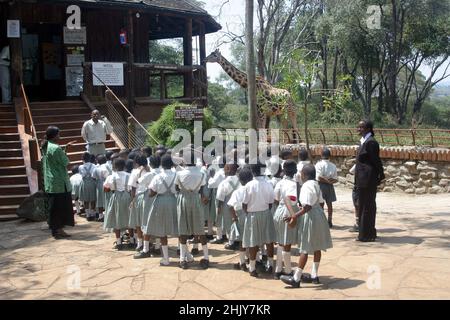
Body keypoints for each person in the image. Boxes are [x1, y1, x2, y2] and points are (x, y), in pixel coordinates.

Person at [281, 164, 333, 288]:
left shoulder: (306, 186)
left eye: (302, 174)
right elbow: (321, 203)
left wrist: (294, 216)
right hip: (319, 215)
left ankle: (296, 278)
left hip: (310, 217)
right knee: (317, 247)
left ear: (305, 175)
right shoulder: (316, 184)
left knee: (305, 247)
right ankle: (314, 275)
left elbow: (307, 207)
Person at [141, 155, 178, 265]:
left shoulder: (158, 177)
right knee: (178, 228)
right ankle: (184, 255)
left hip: (161, 202)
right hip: (173, 201)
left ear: (161, 165)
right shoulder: (177, 175)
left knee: (162, 231)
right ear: (172, 164)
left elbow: (151, 193)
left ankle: (166, 258)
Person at [175, 149, 209, 270]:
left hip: (183, 199)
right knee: (200, 229)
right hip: (196, 199)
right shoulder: (201, 173)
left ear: (185, 161)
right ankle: (206, 257)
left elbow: (177, 188)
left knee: (182, 229)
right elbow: (202, 188)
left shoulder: (179, 174)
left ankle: (182, 259)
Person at [242, 161, 276, 278]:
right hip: (266, 213)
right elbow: (271, 202)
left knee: (253, 242)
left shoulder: (248, 185)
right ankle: (271, 265)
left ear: (252, 171)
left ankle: (252, 268)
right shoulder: (269, 184)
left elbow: (244, 204)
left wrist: (249, 212)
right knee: (269, 240)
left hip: (252, 215)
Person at [41, 126, 75, 239]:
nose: (59, 136)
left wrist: (65, 147)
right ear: (55, 136)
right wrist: (64, 151)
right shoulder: (56, 148)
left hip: (51, 182)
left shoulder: (46, 146)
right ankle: (58, 230)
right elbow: (66, 162)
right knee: (60, 208)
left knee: (54, 208)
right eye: (58, 134)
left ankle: (56, 229)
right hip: (59, 182)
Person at [355, 120, 385, 242]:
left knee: (368, 205)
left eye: (361, 127)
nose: (358, 129)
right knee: (363, 205)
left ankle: (367, 234)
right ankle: (364, 232)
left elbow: (375, 160)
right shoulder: (364, 142)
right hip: (362, 179)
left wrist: (381, 174)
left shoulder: (371, 143)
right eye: (358, 127)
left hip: (368, 179)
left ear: (368, 129)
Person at [273, 160, 299, 280]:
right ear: (295, 171)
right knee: (287, 243)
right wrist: (293, 215)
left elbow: (276, 198)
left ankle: (278, 270)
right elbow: (290, 199)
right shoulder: (293, 184)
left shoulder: (280, 183)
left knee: (280, 242)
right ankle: (288, 271)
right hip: (288, 212)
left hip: (279, 211)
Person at [103, 158, 132, 250]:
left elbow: (105, 189)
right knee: (130, 218)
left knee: (116, 218)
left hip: (116, 197)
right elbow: (133, 187)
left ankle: (119, 242)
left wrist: (113, 188)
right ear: (124, 166)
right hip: (128, 197)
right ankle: (132, 240)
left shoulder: (111, 177)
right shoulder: (129, 175)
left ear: (114, 166)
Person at [228, 167, 253, 271]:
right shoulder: (253, 190)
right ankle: (253, 261)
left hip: (240, 217)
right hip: (251, 215)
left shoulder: (237, 192)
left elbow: (230, 206)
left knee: (242, 242)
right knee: (252, 241)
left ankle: (242, 262)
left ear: (240, 179)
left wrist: (234, 218)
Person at [128, 154, 150, 252]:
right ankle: (149, 244)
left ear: (136, 163)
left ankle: (140, 244)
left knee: (138, 222)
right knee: (147, 222)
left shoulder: (135, 172)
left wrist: (132, 200)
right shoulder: (150, 170)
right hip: (150, 197)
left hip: (139, 197)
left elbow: (133, 187)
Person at [216, 163, 240, 250]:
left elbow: (220, 197)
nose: (224, 170)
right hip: (239, 203)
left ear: (228, 170)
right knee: (238, 221)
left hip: (228, 203)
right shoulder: (240, 180)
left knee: (228, 222)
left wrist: (219, 207)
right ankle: (239, 240)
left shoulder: (224, 182)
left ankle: (231, 242)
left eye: (225, 168)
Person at [315, 148, 338, 228]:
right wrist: (329, 182)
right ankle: (329, 220)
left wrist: (326, 181)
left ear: (321, 156)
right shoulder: (333, 165)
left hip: (321, 185)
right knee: (329, 203)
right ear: (329, 156)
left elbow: (319, 177)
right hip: (330, 186)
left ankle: (321, 220)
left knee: (321, 203)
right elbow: (335, 179)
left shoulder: (318, 164)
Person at [78, 152, 97, 221]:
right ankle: (92, 213)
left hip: (84, 183)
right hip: (92, 183)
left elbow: (81, 175)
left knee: (86, 200)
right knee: (93, 199)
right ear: (90, 158)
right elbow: (95, 176)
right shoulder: (94, 166)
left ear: (82, 159)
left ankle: (88, 214)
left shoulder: (80, 167)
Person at [92, 155, 110, 222]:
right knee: (107, 198)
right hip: (107, 184)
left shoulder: (96, 168)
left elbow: (93, 177)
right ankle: (107, 215)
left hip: (99, 184)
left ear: (97, 161)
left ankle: (100, 216)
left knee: (99, 199)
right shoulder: (108, 167)